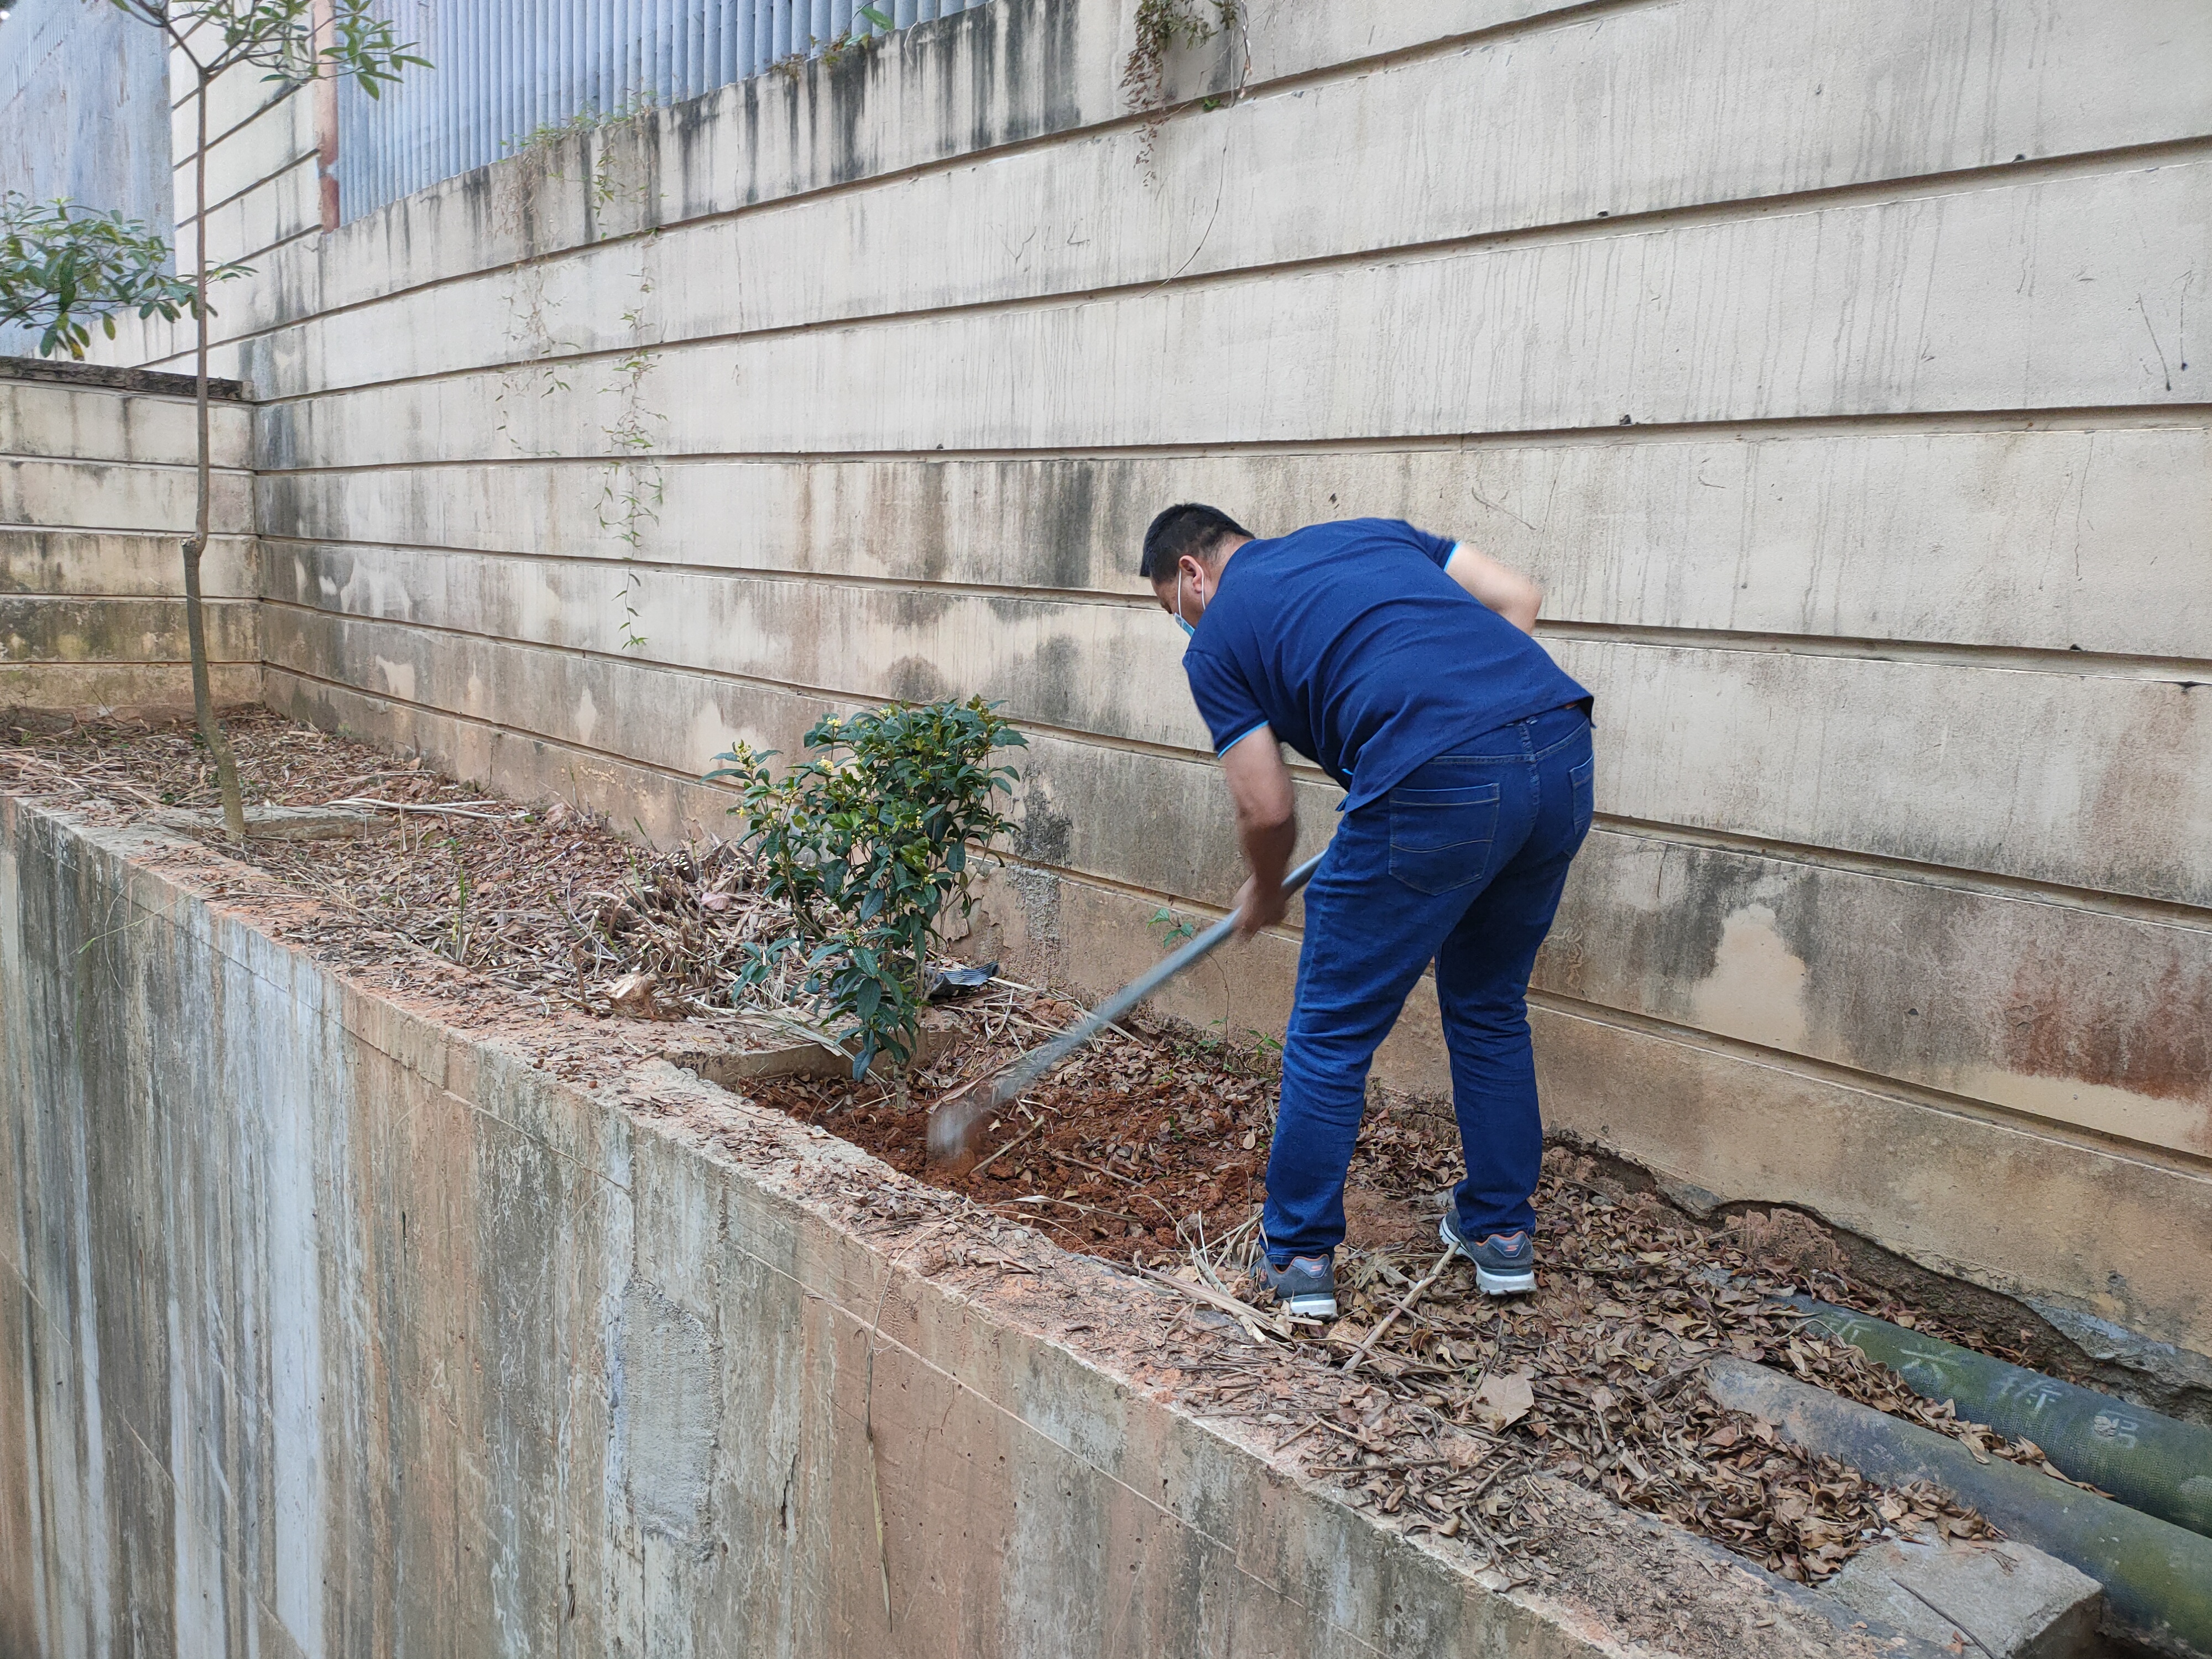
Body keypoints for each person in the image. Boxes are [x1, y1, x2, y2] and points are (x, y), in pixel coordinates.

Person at [1142, 504, 1594, 1318]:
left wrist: (1268, 886)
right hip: (1561, 750)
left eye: (1174, 611)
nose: (1185, 627)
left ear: (1190, 573)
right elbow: (1518, 596)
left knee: (1331, 1029)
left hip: (1435, 776)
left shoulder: (1217, 638)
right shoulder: (1375, 533)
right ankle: (1500, 1238)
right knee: (1490, 1006)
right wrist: (1481, 727)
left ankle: (1300, 1258)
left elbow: (1268, 810)